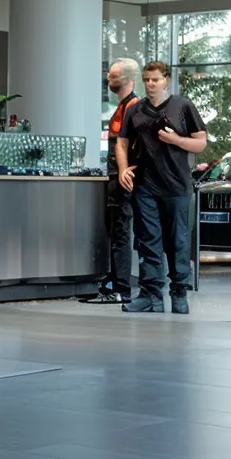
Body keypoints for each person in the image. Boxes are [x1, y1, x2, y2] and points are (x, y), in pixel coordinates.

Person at [115, 61, 207, 314]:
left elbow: (201, 143)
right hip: (145, 185)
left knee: (177, 240)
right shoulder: (136, 110)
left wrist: (175, 139)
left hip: (177, 185)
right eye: (146, 79)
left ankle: (179, 293)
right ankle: (151, 295)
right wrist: (123, 169)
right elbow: (122, 143)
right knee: (147, 240)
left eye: (155, 79)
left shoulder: (183, 106)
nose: (150, 84)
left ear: (166, 79)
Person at [87, 58, 141, 305]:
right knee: (115, 230)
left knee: (121, 232)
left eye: (113, 77)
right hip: (114, 177)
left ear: (128, 80)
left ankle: (122, 288)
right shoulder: (121, 107)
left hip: (123, 180)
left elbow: (137, 146)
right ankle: (114, 283)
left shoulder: (134, 107)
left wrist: (126, 171)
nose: (108, 80)